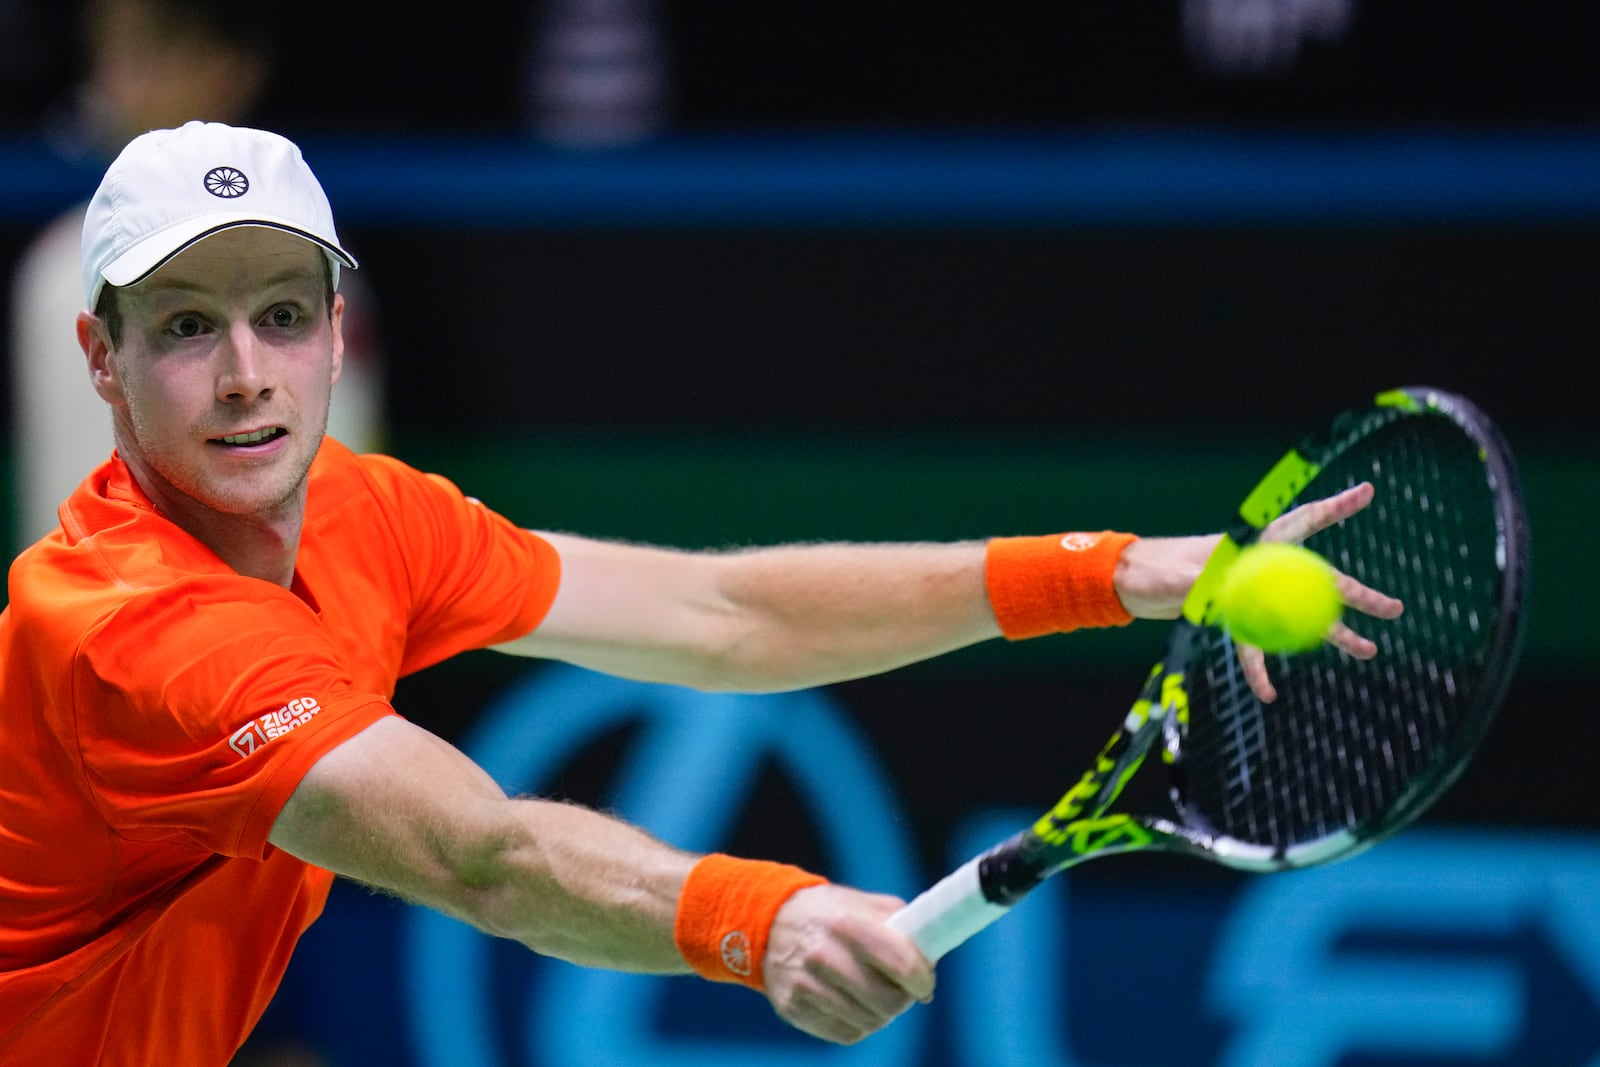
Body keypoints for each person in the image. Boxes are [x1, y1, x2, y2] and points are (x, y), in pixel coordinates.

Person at [0, 121, 1403, 1064]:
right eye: (187, 325)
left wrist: (1112, 574)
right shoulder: (132, 625)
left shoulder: (366, 511)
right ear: (101, 356)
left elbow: (722, 615)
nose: (247, 368)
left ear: (336, 332)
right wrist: (762, 917)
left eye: (282, 313)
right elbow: (481, 854)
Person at [8, 0, 385, 555]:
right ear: (100, 350)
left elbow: (344, 525)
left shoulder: (318, 256)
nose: (112, 82)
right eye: (187, 325)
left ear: (231, 66)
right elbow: (68, 535)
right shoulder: (64, 268)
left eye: (149, 52)